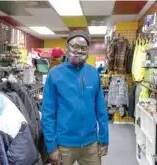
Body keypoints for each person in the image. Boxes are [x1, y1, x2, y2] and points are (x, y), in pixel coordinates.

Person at [42, 30, 109, 165]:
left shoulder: (93, 74)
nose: (79, 51)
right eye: (75, 46)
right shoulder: (54, 75)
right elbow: (48, 114)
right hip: (63, 145)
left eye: (83, 48)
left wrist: (103, 139)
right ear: (67, 48)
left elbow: (101, 110)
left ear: (88, 50)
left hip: (91, 144)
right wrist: (51, 147)